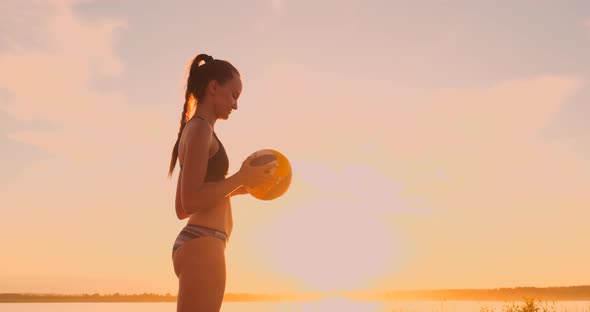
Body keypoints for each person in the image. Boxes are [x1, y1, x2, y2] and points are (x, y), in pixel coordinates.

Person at [167, 53, 279, 312]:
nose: (236, 105)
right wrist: (240, 176)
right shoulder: (200, 130)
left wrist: (246, 186)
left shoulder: (197, 130)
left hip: (200, 242)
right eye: (234, 95)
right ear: (214, 87)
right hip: (203, 243)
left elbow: (182, 208)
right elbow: (191, 201)